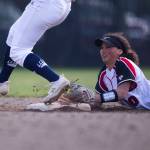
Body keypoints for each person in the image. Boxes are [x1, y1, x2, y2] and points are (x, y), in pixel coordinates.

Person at [0, 0, 76, 102]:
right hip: (62, 6)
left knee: (18, 51)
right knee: (13, 34)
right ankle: (2, 81)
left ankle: (56, 80)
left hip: (46, 5)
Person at [93, 32, 150, 109]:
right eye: (102, 48)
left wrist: (93, 98)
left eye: (108, 47)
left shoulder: (124, 63)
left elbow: (121, 93)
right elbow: (96, 101)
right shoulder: (104, 73)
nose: (103, 50)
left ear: (119, 51)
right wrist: (74, 100)